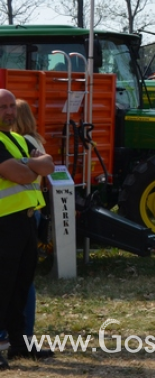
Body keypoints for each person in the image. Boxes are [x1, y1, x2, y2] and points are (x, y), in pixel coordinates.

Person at [0, 89, 55, 361]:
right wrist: (32, 166)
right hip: (4, 223)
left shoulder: (20, 140)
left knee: (21, 285)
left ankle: (19, 344)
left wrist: (29, 164)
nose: (9, 112)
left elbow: (49, 165)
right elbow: (18, 173)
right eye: (2, 107)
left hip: (25, 221)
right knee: (3, 286)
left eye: (11, 106)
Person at [10, 100, 45, 344]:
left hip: (20, 213)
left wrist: (22, 165)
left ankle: (18, 333)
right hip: (31, 210)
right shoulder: (34, 143)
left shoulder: (23, 144)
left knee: (18, 278)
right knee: (25, 278)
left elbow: (23, 174)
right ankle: (24, 333)